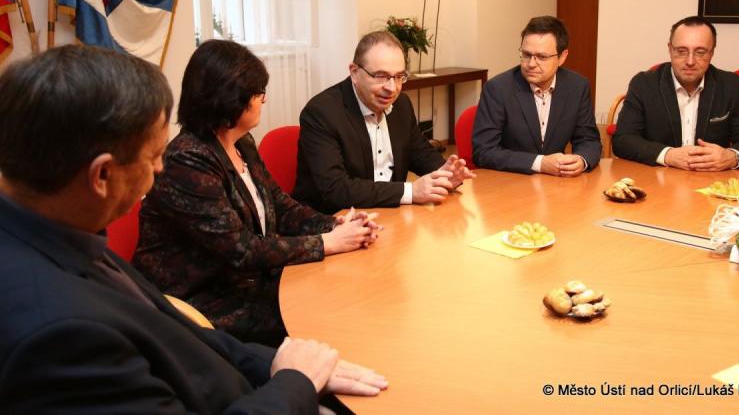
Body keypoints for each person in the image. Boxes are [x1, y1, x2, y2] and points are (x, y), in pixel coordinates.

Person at [0, 45, 387, 412]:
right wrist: (295, 381)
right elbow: (237, 256)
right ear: (101, 175)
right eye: (153, 156)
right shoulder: (59, 333)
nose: (160, 169)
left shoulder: (66, 233)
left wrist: (279, 363)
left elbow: (187, 336)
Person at [134, 40, 381, 347]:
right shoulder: (188, 160)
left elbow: (280, 204)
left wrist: (335, 225)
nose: (264, 99)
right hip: (204, 301)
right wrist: (326, 243)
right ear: (230, 99)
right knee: (326, 310)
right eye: (257, 92)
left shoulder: (241, 141)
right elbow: (242, 250)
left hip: (248, 283)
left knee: (342, 289)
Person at [293, 31, 476, 213]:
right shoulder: (322, 113)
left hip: (391, 214)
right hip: (334, 220)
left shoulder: (401, 104)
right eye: (381, 76)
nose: (392, 88)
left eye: (399, 77)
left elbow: (419, 153)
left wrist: (446, 172)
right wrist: (410, 191)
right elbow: (336, 189)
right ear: (354, 72)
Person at [612, 16, 739, 169]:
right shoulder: (643, 84)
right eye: (681, 51)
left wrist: (731, 157)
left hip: (711, 178)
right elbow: (623, 140)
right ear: (670, 49)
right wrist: (667, 155)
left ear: (712, 52)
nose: (690, 61)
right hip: (659, 176)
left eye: (700, 52)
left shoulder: (731, 85)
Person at [471, 16, 601, 176]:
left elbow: (589, 140)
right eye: (526, 54)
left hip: (557, 183)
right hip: (510, 180)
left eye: (542, 57)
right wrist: (540, 163)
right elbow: (484, 152)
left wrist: (581, 160)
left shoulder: (577, 87)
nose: (531, 64)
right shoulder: (498, 89)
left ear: (562, 57)